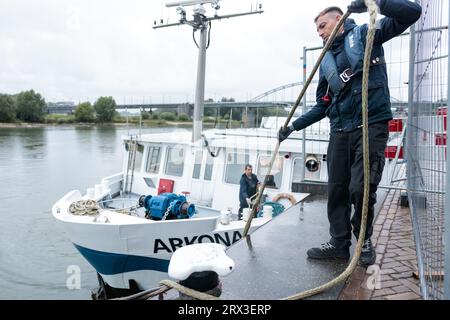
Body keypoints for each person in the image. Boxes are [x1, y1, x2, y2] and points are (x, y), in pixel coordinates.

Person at [278, 0, 421, 266]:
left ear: (339, 20)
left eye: (323, 26)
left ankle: (363, 239)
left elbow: (412, 13)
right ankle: (338, 243)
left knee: (361, 188)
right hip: (340, 131)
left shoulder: (367, 34)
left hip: (371, 124)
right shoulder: (326, 61)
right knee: (337, 190)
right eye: (317, 30)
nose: (320, 33)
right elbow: (323, 105)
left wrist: (376, 1)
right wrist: (293, 127)